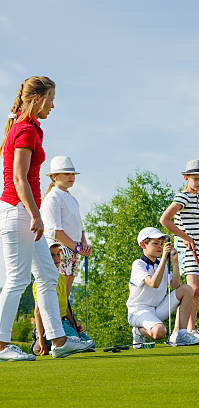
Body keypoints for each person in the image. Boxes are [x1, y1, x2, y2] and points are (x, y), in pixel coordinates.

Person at [0, 76, 93, 361]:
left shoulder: (29, 127)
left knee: (49, 275)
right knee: (17, 278)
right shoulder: (24, 129)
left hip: (25, 212)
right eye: (50, 99)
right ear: (38, 98)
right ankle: (1, 345)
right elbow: (18, 177)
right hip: (19, 212)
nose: (53, 105)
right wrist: (36, 214)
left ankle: (60, 341)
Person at [160, 159, 199, 341]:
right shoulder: (182, 197)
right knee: (192, 288)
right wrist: (185, 237)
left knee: (197, 291)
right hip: (187, 247)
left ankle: (189, 330)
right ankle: (184, 331)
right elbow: (165, 220)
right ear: (186, 178)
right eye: (195, 179)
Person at [127, 227, 199, 346]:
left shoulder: (161, 265)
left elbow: (176, 285)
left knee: (187, 289)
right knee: (159, 332)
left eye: (161, 244)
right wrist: (163, 259)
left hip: (158, 309)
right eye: (155, 243)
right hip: (138, 311)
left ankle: (181, 334)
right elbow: (153, 283)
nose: (160, 247)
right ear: (143, 245)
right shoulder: (138, 264)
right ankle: (138, 330)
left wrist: (175, 262)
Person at [31, 242, 95, 356]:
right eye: (52, 255)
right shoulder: (40, 282)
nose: (56, 258)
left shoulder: (61, 278)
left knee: (90, 344)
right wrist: (40, 339)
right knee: (82, 344)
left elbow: (65, 307)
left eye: (58, 254)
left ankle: (54, 341)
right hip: (50, 324)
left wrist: (75, 324)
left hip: (64, 322)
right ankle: (40, 341)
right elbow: (38, 313)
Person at [40, 155, 92, 296]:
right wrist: (79, 248)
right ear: (54, 177)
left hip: (73, 249)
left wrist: (84, 244)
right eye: (67, 173)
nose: (71, 177)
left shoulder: (72, 199)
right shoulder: (52, 198)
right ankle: (46, 319)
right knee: (53, 292)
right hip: (59, 250)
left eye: (72, 174)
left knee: (65, 294)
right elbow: (55, 232)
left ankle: (63, 317)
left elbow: (80, 227)